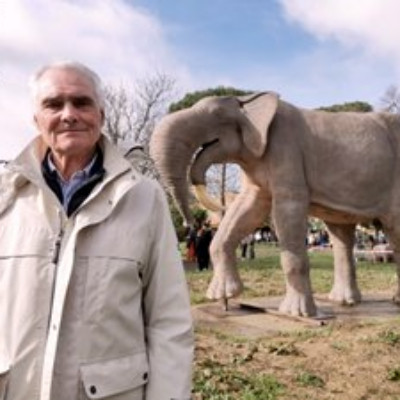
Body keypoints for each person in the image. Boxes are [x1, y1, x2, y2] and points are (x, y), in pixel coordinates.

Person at [0, 61, 194, 400]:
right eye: (53, 104)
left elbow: (169, 321)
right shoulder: (6, 195)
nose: (68, 114)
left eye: (81, 102)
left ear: (101, 116)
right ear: (36, 119)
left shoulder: (145, 197)